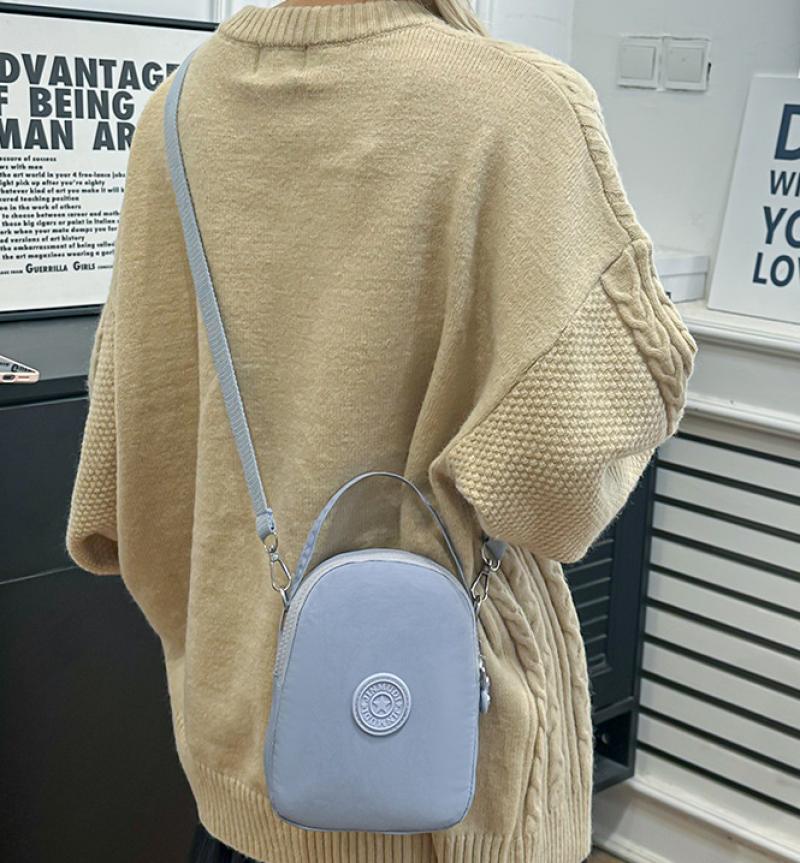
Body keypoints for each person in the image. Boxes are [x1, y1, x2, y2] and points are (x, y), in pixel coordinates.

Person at [65, 1, 697, 862]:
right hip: (455, 788)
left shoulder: (174, 115)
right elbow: (561, 483)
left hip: (244, 762)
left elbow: (121, 483)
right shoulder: (519, 110)